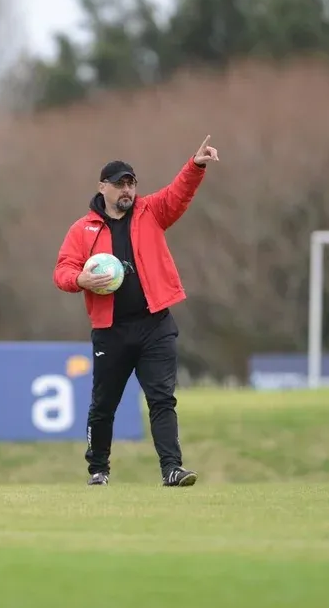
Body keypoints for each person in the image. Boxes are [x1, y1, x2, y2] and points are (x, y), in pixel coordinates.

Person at [53, 135, 220, 487]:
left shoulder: (151, 211)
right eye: (120, 184)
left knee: (162, 399)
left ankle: (171, 469)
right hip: (111, 330)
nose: (127, 190)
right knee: (104, 405)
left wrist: (195, 165)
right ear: (103, 187)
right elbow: (62, 270)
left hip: (155, 324)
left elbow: (178, 193)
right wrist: (80, 278)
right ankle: (98, 470)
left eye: (131, 183)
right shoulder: (82, 230)